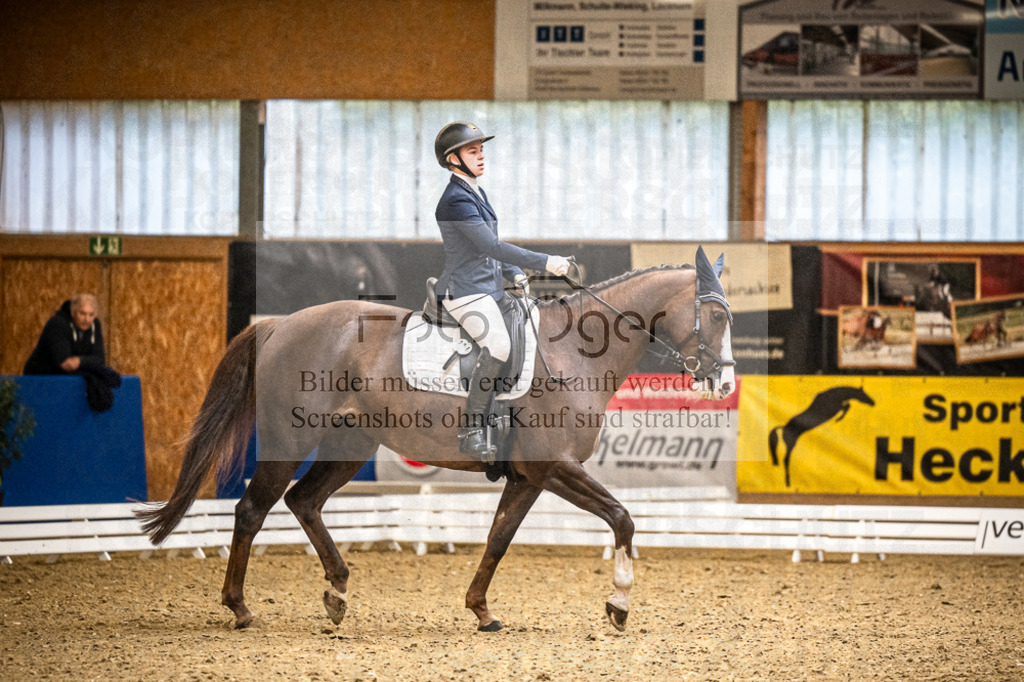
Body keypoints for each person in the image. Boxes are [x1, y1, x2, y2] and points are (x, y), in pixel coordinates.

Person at [433, 121, 571, 461]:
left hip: (489, 288)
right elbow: (490, 245)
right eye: (472, 151)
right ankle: (472, 430)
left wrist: (515, 274)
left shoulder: (475, 192)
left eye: (482, 150)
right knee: (498, 344)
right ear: (453, 159)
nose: (481, 157)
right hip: (464, 291)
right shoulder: (454, 200)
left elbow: (489, 248)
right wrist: (544, 262)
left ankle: (505, 419)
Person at [23, 294, 106, 375]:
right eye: (82, 313)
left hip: (69, 378)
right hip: (40, 376)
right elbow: (65, 364)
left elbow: (100, 360)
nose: (87, 319)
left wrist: (79, 361)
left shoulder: (95, 324)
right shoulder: (57, 324)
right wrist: (89, 362)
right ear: (73, 313)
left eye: (91, 315)